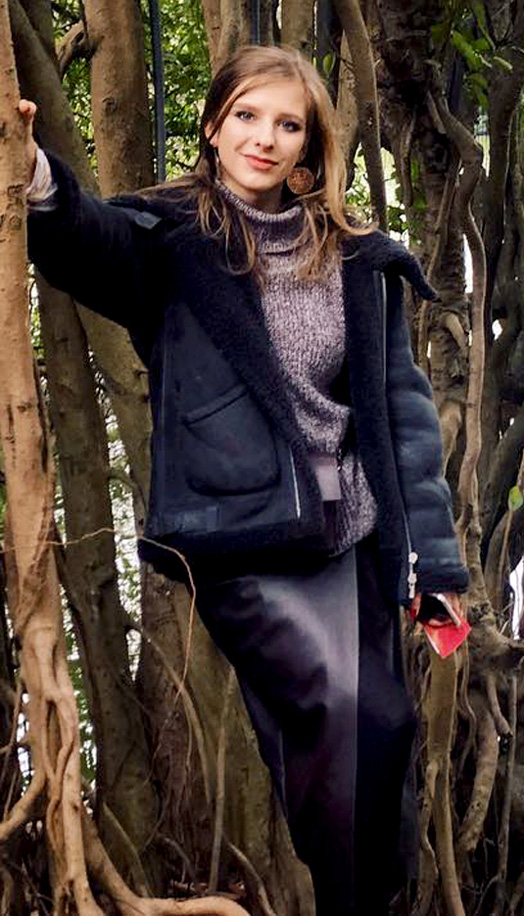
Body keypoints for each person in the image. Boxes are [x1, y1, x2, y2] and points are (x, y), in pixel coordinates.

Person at [19, 44, 469, 915]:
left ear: (310, 145)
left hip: (350, 535)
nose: (265, 138)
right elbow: (85, 239)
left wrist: (435, 565)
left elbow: (404, 419)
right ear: (214, 127)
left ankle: (367, 899)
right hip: (244, 540)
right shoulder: (171, 242)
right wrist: (28, 164)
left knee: (384, 726)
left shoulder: (357, 258)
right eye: (248, 117)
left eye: (288, 124)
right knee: (336, 709)